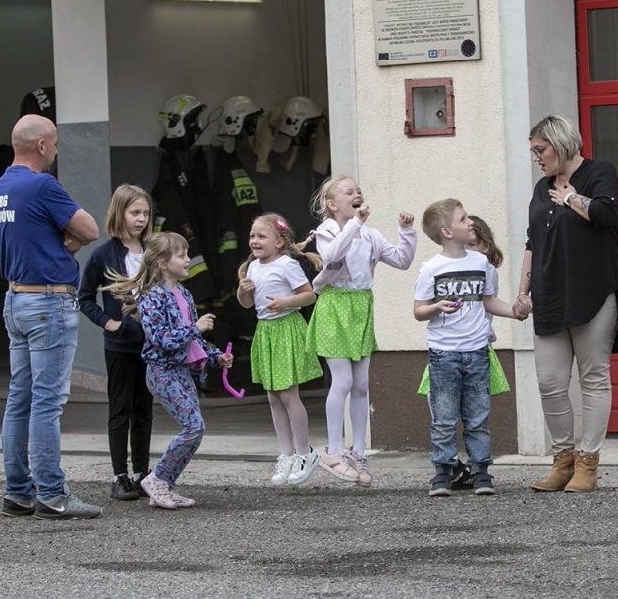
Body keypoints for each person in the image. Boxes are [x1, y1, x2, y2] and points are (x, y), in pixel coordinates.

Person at [0, 114, 103, 520]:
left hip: (15, 300)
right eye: (54, 143)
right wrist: (65, 244)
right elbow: (90, 229)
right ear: (40, 146)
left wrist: (55, 246)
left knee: (19, 399)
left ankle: (17, 492)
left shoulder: (1, 188)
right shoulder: (42, 185)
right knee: (47, 402)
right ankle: (52, 494)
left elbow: (27, 241)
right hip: (48, 303)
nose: (56, 150)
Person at [516, 115, 618, 494]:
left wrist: (569, 197)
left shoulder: (600, 173)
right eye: (532, 150)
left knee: (593, 377)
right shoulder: (539, 188)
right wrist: (522, 291)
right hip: (549, 294)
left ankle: (588, 464)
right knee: (550, 382)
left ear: (560, 143)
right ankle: (562, 461)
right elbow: (532, 242)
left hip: (593, 291)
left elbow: (608, 214)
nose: (536, 157)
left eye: (540, 149)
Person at [105, 231, 231, 510]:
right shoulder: (151, 297)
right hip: (162, 371)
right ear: (162, 262)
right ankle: (157, 478)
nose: (188, 259)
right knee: (193, 426)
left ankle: (165, 485)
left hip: (182, 372)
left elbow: (193, 342)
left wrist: (215, 357)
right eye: (182, 254)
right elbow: (161, 338)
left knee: (195, 429)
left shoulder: (184, 293)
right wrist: (195, 328)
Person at [306, 175, 417, 485]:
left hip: (361, 307)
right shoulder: (327, 231)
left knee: (361, 383)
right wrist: (355, 223)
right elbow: (332, 255)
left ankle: (358, 450)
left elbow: (402, 260)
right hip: (335, 307)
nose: (356, 194)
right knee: (341, 380)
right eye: (348, 191)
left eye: (358, 190)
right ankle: (334, 449)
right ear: (331, 203)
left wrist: (406, 231)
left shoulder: (370, 235)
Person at [414, 200, 521, 496]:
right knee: (445, 418)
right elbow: (419, 310)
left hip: (477, 352)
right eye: (463, 220)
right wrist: (437, 306)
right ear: (448, 232)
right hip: (443, 355)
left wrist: (514, 311)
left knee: (478, 417)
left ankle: (481, 471)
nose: (470, 223)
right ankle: (443, 472)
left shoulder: (480, 264)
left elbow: (488, 300)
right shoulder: (431, 269)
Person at [77, 184, 155, 501]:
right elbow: (84, 297)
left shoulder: (153, 251)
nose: (141, 219)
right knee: (120, 408)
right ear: (119, 213)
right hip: (120, 345)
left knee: (144, 410)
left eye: (146, 213)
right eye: (135, 212)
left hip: (151, 346)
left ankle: (141, 472)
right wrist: (109, 323)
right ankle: (119, 476)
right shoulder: (104, 254)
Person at [235, 213, 324, 487]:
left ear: (279, 241)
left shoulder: (287, 264)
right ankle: (285, 455)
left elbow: (309, 294)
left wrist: (285, 302)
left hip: (286, 329)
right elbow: (247, 305)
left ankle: (304, 453)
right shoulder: (252, 268)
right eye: (252, 236)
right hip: (266, 331)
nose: (255, 241)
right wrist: (243, 290)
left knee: (288, 395)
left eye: (262, 236)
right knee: (273, 397)